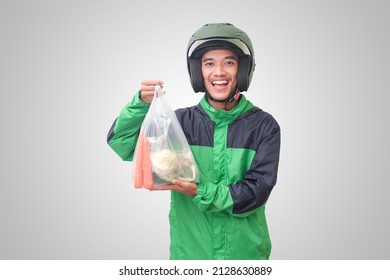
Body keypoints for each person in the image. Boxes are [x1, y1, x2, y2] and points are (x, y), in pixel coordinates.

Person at [107, 23, 281, 260]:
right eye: (209, 63)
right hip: (190, 257)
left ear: (243, 70)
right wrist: (140, 105)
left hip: (245, 256)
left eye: (229, 62)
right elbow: (124, 144)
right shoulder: (179, 124)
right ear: (198, 72)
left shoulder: (264, 126)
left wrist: (198, 191)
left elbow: (256, 192)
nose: (218, 72)